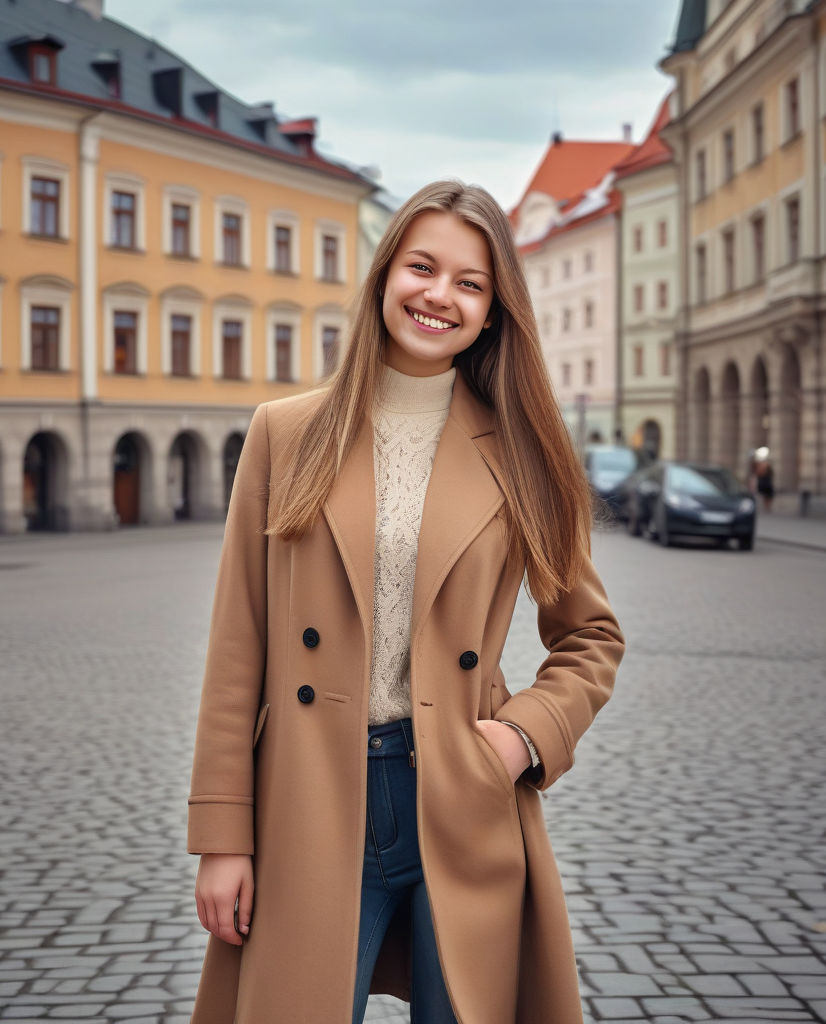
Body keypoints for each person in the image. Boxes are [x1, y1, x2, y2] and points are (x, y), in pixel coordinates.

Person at [186, 181, 625, 1024]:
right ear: (385, 276)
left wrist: (519, 737)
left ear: (494, 311)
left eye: (471, 282)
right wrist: (221, 838)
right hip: (309, 797)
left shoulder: (525, 451)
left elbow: (591, 637)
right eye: (422, 267)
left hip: (460, 790)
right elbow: (238, 647)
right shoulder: (286, 432)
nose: (439, 296)